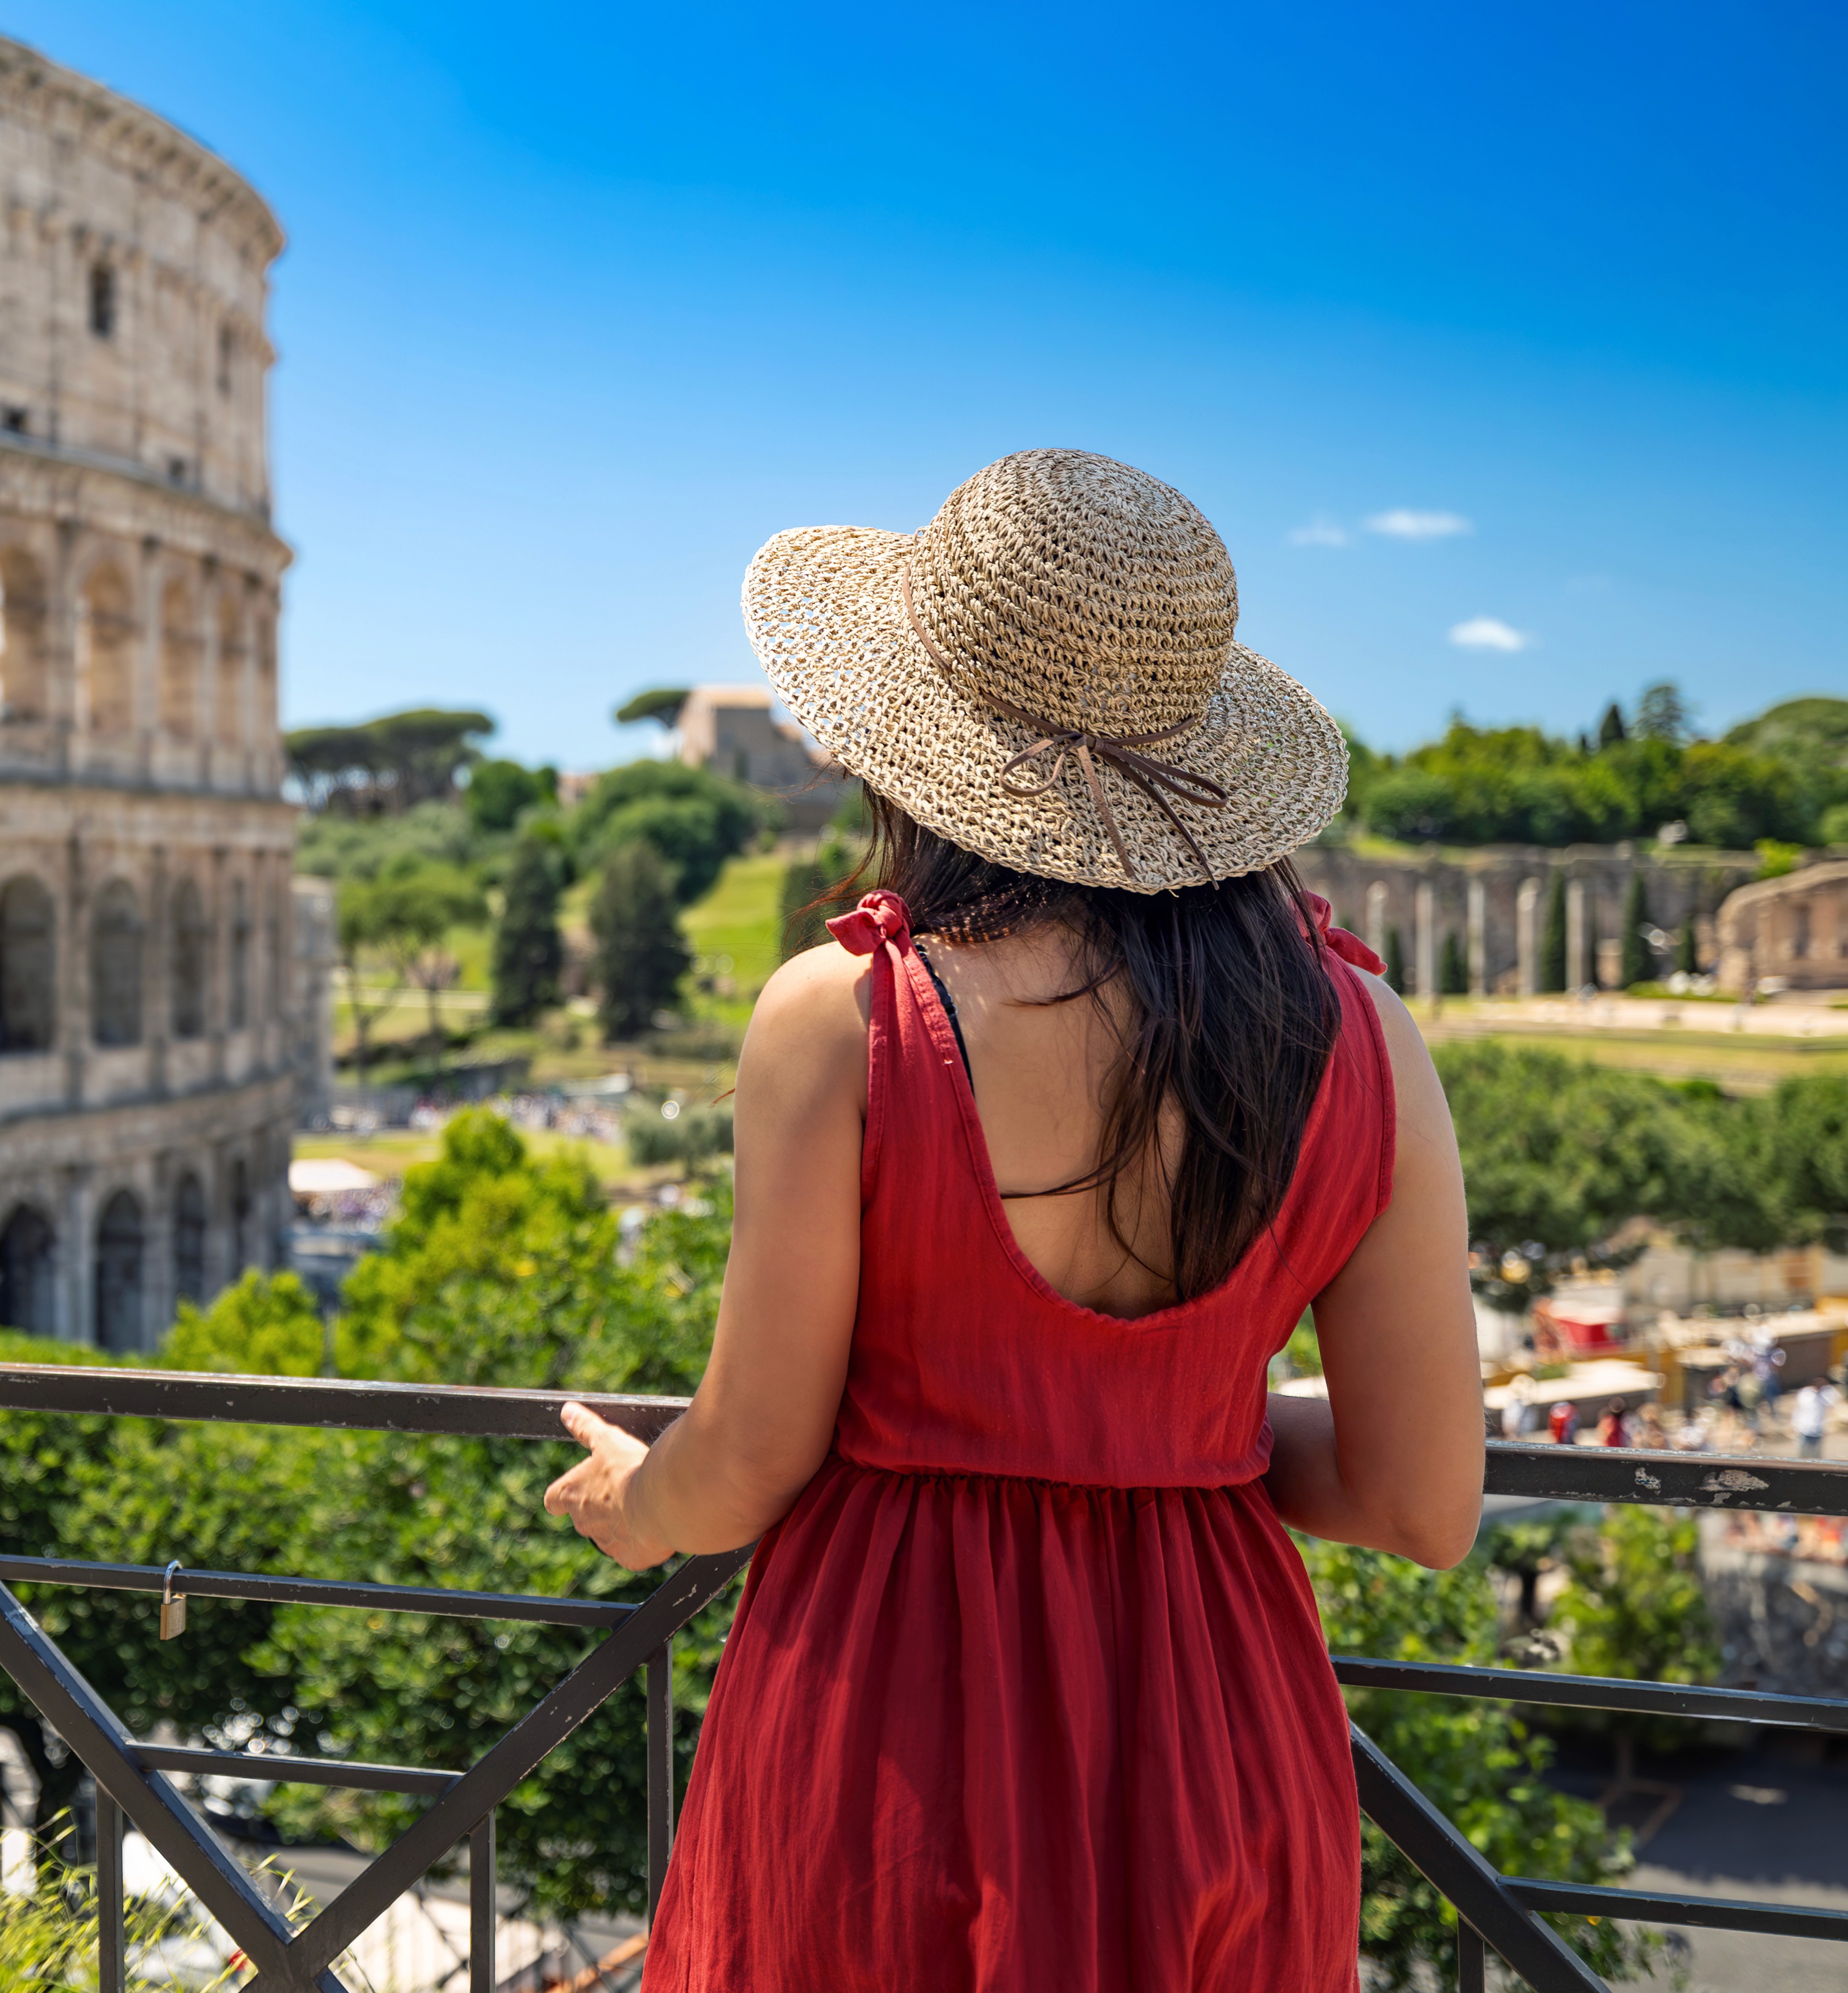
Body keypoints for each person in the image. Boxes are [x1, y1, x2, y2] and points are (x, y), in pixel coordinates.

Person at [542, 452, 1483, 1993]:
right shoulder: (1371, 1034)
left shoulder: (844, 1018)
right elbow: (1422, 1502)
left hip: (890, 1716)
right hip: (1216, 1725)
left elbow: (752, 1462)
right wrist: (1174, 1422)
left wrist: (640, 1506)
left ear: (914, 736)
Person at [1794, 1372, 1834, 1461]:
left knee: (1817, 1458)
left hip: (1818, 1430)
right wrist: (1795, 1424)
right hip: (1805, 1429)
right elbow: (1799, 1409)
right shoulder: (1805, 1393)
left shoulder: (1826, 1394)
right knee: (1803, 1456)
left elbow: (1833, 1402)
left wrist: (1823, 1391)